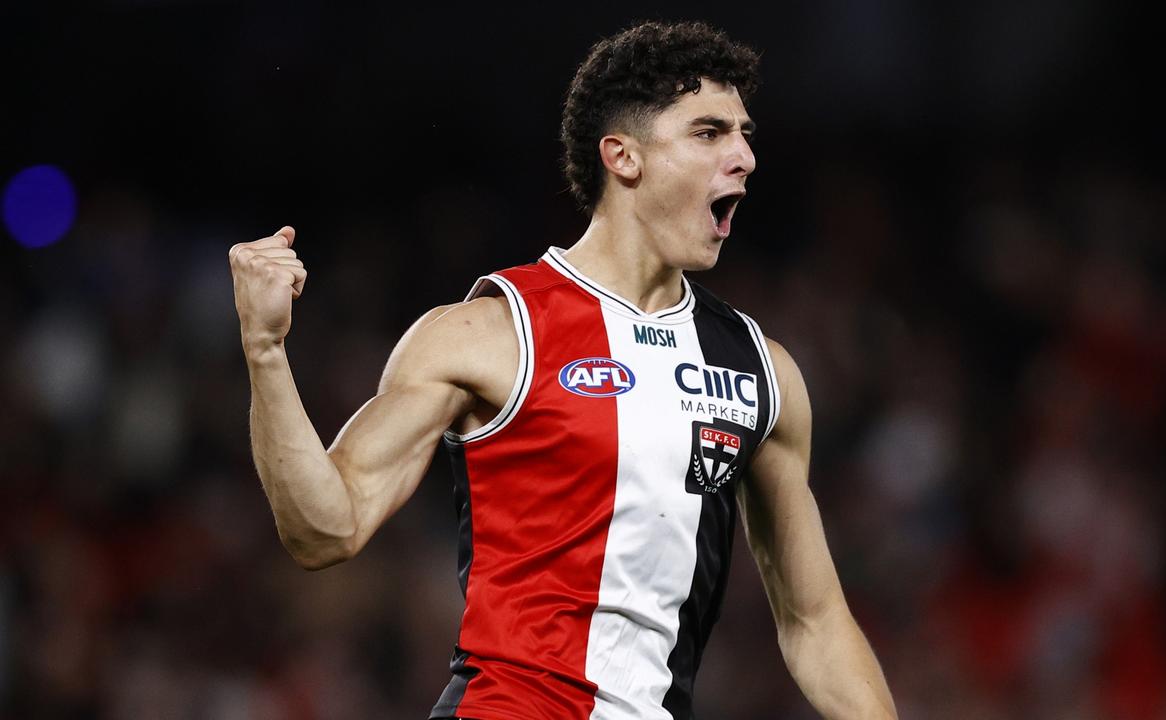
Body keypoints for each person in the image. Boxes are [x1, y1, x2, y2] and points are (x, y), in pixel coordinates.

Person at [229, 20, 896, 720]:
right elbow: (325, 528)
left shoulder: (762, 370)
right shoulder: (489, 334)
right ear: (623, 157)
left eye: (744, 133)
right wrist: (266, 352)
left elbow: (815, 623)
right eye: (708, 133)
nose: (745, 157)